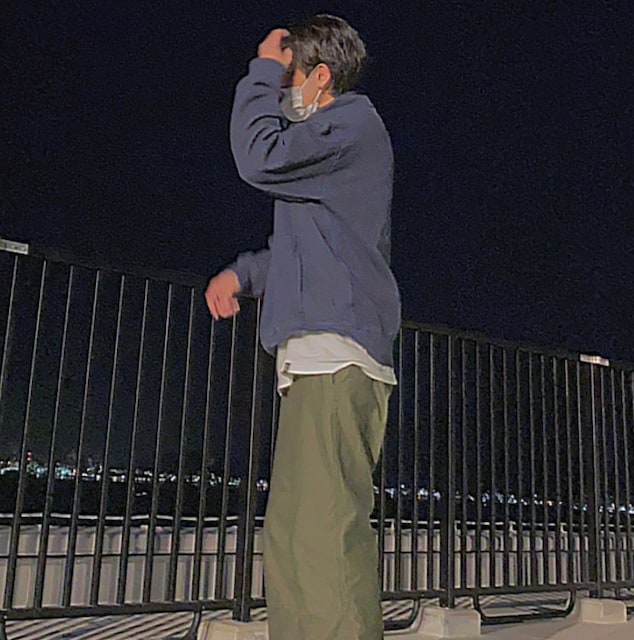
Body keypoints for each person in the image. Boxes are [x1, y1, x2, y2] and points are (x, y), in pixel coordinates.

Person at [205, 14, 401, 640]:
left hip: (338, 354)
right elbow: (311, 246)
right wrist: (244, 274)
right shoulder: (330, 151)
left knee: (323, 532)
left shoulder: (353, 125)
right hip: (314, 356)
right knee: (290, 533)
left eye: (291, 77)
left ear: (320, 77)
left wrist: (262, 70)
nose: (284, 90)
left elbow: (258, 157)